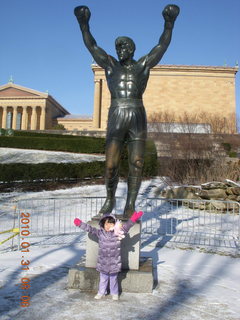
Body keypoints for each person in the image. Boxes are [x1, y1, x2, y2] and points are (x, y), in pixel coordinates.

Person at [74, 5, 180, 217]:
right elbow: (92, 46)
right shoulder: (111, 66)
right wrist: (83, 24)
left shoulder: (143, 66)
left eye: (123, 47)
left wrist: (169, 23)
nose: (119, 50)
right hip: (116, 113)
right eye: (117, 47)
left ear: (132, 49)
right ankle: (110, 199)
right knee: (111, 164)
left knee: (137, 163)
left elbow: (162, 45)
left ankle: (130, 204)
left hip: (137, 114)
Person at [73, 211, 143, 300]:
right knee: (103, 279)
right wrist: (80, 224)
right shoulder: (100, 233)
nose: (108, 226)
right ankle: (101, 292)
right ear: (102, 224)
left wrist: (133, 219)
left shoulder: (118, 232)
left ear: (114, 224)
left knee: (113, 279)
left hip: (114, 262)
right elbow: (90, 229)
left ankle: (114, 293)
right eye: (106, 224)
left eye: (110, 224)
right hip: (103, 262)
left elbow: (127, 226)